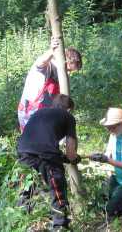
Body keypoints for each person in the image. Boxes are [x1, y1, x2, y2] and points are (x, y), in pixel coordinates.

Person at [17, 94, 81, 230]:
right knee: (57, 187)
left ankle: (20, 221)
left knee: (26, 187)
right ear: (69, 109)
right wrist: (73, 158)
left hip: (23, 150)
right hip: (46, 155)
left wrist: (61, 156)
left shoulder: (39, 112)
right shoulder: (68, 117)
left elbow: (42, 136)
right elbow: (71, 152)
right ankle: (60, 225)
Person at [17, 37, 82, 132]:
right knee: (32, 142)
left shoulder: (62, 76)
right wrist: (53, 50)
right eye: (68, 69)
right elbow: (40, 62)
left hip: (45, 115)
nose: (68, 73)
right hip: (30, 112)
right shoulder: (47, 66)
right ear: (65, 60)